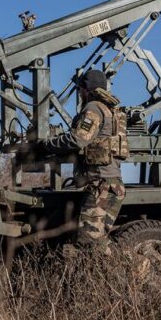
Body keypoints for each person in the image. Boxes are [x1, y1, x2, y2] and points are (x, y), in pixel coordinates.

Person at [34, 70, 128, 248]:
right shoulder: (111, 110)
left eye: (80, 90)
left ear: (85, 89)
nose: (80, 94)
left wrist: (46, 144)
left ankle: (135, 264)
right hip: (110, 183)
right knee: (95, 240)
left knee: (88, 241)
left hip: (102, 185)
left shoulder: (93, 108)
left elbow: (78, 139)